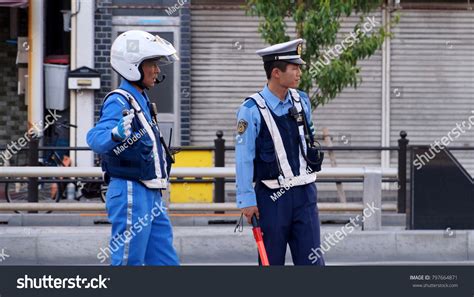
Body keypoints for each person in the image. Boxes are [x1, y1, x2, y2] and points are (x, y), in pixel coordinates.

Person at [87, 30, 179, 266]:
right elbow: (95, 138)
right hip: (130, 190)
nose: (157, 70)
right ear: (132, 66)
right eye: (151, 63)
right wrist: (114, 134)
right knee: (128, 261)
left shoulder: (142, 100)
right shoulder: (119, 100)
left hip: (150, 192)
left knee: (165, 262)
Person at [235, 39, 325, 265]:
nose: (299, 73)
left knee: (313, 264)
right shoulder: (250, 109)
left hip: (305, 194)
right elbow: (243, 157)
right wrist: (246, 199)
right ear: (276, 72)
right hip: (272, 198)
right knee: (271, 263)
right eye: (294, 68)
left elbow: (309, 138)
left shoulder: (302, 100)